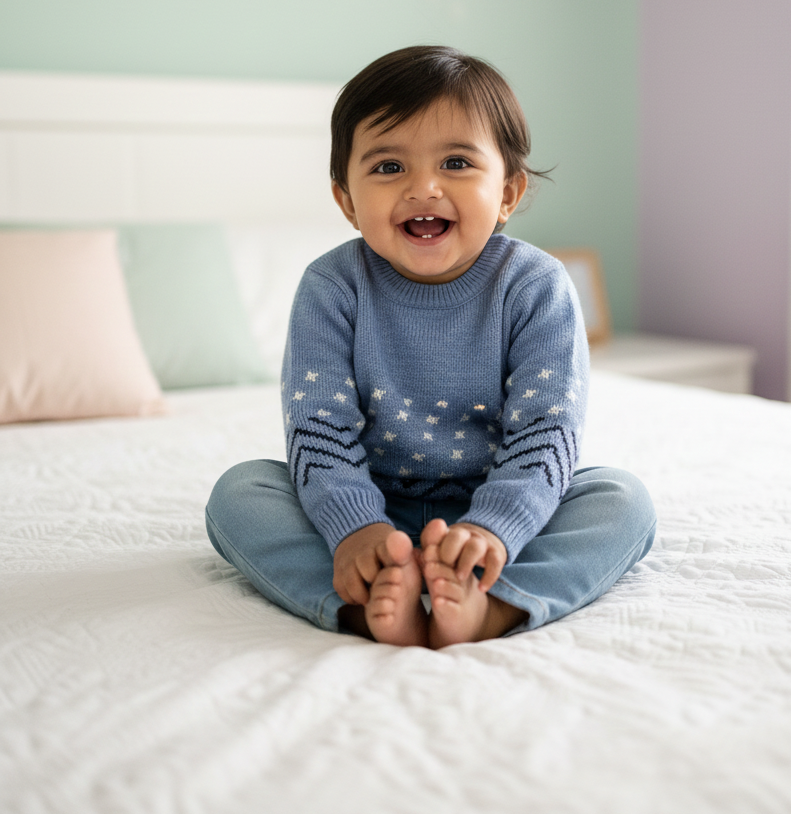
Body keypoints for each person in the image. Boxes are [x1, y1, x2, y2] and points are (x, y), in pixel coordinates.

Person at [205, 46, 655, 648]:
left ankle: (490, 606)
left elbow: (546, 433)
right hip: (373, 509)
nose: (424, 187)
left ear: (507, 194)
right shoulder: (331, 287)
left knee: (621, 499)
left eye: (456, 162)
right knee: (241, 493)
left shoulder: (535, 286)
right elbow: (319, 430)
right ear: (346, 200)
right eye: (388, 168)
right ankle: (367, 604)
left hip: (494, 506)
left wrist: (493, 529)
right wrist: (356, 529)